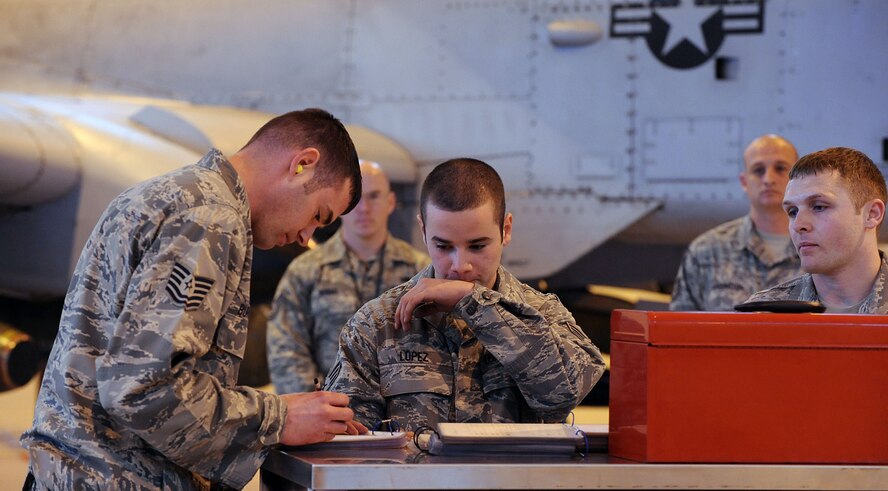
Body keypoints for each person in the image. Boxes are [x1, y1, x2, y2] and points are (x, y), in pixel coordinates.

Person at [20, 109, 369, 490]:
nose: (306, 237)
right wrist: (280, 417)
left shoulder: (176, 193)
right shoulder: (211, 219)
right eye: (318, 214)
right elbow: (143, 385)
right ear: (302, 164)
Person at [325, 158, 606, 431]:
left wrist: (474, 302)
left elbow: (562, 395)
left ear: (505, 230)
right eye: (444, 247)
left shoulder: (541, 315)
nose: (461, 266)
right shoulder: (378, 324)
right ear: (423, 231)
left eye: (477, 246)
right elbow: (351, 442)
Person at [266, 160, 429, 394]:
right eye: (357, 198)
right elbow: (286, 348)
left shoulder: (419, 271)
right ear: (341, 205)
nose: (364, 208)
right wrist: (313, 406)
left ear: (391, 202)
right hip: (328, 410)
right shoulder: (306, 270)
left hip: (402, 409)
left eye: (374, 196)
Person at [746, 147, 888, 313]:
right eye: (792, 212)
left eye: (819, 207)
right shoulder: (764, 314)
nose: (799, 225)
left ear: (872, 214)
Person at [670, 134, 802, 311]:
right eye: (758, 170)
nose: (769, 179)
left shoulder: (816, 248)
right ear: (744, 181)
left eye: (780, 168)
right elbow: (679, 330)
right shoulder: (706, 251)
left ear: (798, 179)